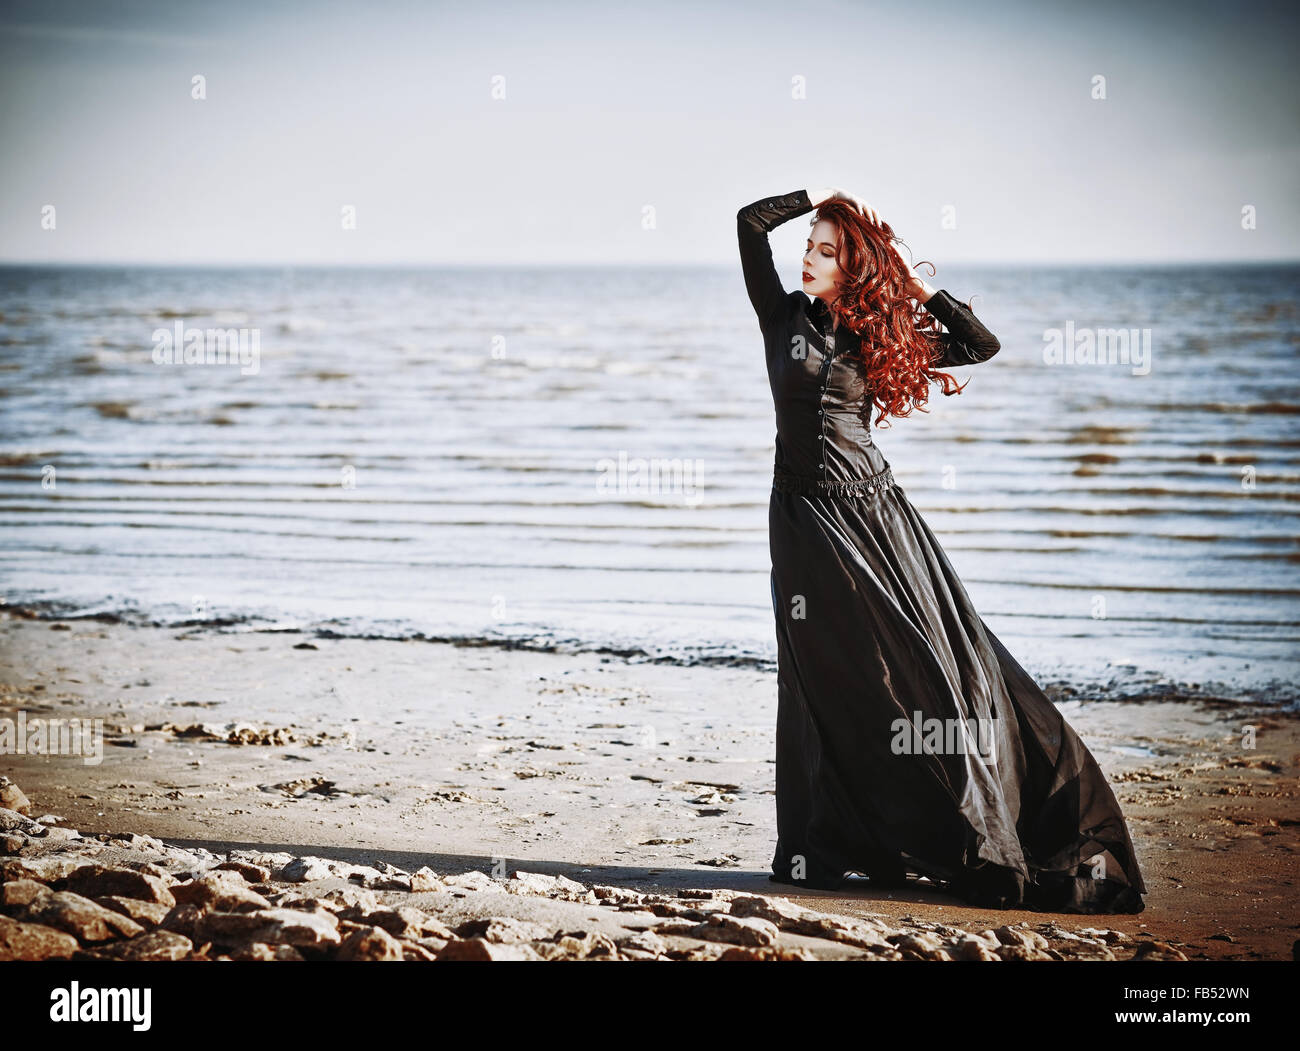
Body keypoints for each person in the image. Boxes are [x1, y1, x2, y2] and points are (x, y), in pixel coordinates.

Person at [738, 186, 1146, 913]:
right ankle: (825, 841)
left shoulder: (876, 332)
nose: (809, 257)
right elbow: (748, 223)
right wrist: (817, 195)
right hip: (803, 519)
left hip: (878, 514)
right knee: (824, 674)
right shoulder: (779, 317)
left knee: (932, 666)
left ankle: (978, 829)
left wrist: (915, 282)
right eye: (809, 245)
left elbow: (979, 345)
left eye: (828, 249)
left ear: (854, 263)